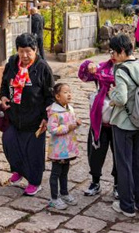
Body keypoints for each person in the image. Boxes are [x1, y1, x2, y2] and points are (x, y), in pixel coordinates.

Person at [0, 32, 55, 196]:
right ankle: (18, 169)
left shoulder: (42, 68)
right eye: (21, 51)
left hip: (35, 119)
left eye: (28, 51)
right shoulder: (12, 63)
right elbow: (4, 84)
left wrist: (46, 117)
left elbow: (50, 95)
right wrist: (3, 96)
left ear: (35, 50)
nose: (24, 55)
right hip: (15, 115)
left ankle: (35, 182)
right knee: (9, 141)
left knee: (33, 153)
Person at [108, 34, 139, 218]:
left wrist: (112, 95)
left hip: (123, 123)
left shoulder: (121, 70)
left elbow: (120, 99)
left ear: (121, 51)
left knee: (124, 164)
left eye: (113, 52)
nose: (112, 55)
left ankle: (127, 206)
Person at [78, 55, 118, 198]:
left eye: (117, 51)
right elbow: (83, 76)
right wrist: (88, 64)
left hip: (120, 121)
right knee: (95, 152)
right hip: (100, 120)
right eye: (112, 51)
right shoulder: (101, 68)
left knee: (119, 154)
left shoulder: (128, 70)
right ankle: (95, 182)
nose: (114, 55)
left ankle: (118, 184)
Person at [46, 82, 81, 210]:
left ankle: (64, 193)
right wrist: (67, 127)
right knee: (56, 173)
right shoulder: (54, 112)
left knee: (65, 172)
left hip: (67, 147)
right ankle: (54, 198)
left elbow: (71, 123)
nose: (69, 94)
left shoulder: (69, 108)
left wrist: (76, 123)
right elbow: (52, 129)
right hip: (58, 149)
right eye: (65, 92)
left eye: (69, 92)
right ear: (57, 96)